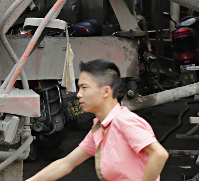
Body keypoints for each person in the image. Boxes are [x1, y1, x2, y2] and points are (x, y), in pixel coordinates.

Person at [26, 59, 169, 181]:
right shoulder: (101, 127)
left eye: (84, 88)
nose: (79, 94)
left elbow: (159, 154)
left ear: (106, 91)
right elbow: (66, 164)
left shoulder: (124, 121)